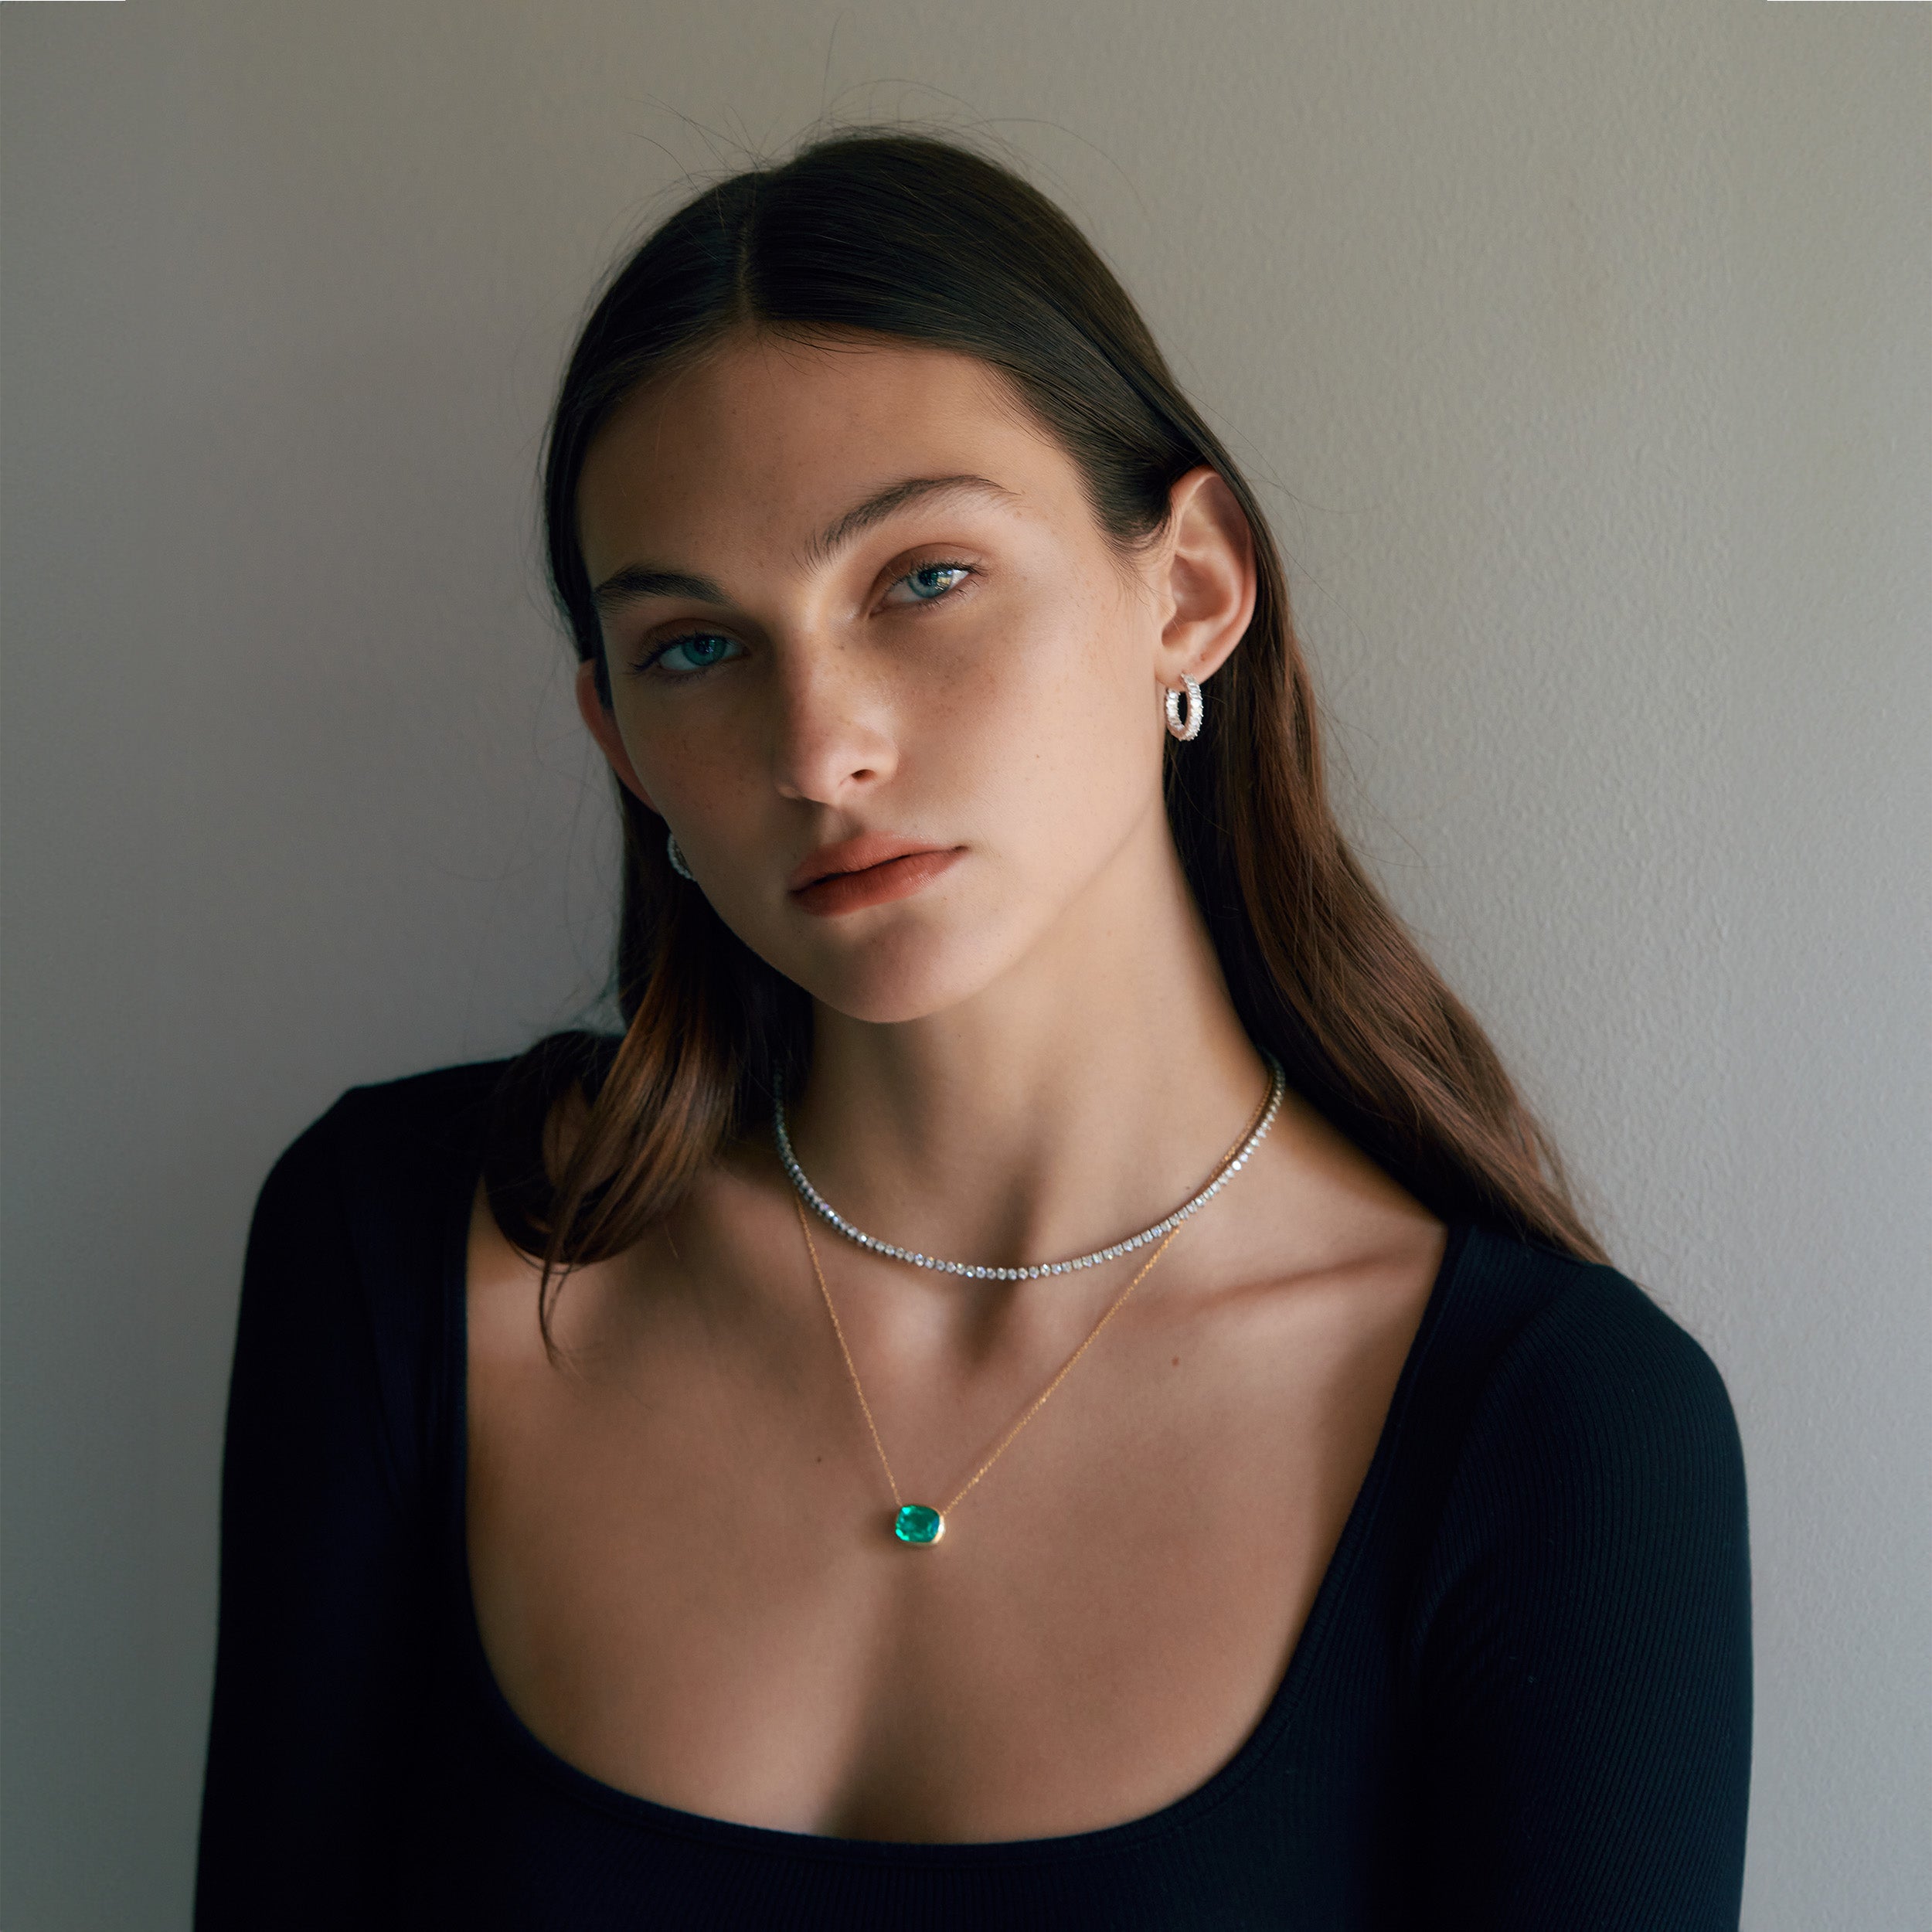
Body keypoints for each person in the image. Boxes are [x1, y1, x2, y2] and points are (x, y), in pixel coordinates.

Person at [193, 130, 1752, 1930]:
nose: (819, 747)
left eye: (919, 579)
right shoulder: (395, 1251)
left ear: (1187, 590)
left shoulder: (1549, 1430)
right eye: (695, 647)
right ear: (619, 741)